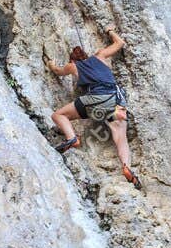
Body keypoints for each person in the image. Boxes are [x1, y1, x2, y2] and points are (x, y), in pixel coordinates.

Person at [45, 23, 141, 189]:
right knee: (120, 137)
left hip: (96, 99)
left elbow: (58, 71)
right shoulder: (101, 55)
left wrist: (51, 64)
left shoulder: (73, 66)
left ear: (72, 60)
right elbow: (120, 43)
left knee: (59, 115)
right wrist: (110, 30)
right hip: (116, 100)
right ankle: (126, 166)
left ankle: (71, 138)